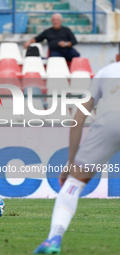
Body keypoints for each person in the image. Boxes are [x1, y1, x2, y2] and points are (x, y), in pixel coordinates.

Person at [34, 61, 120, 254]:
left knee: (73, 185)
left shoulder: (105, 72)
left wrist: (70, 163)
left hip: (110, 123)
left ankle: (54, 238)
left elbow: (78, 119)